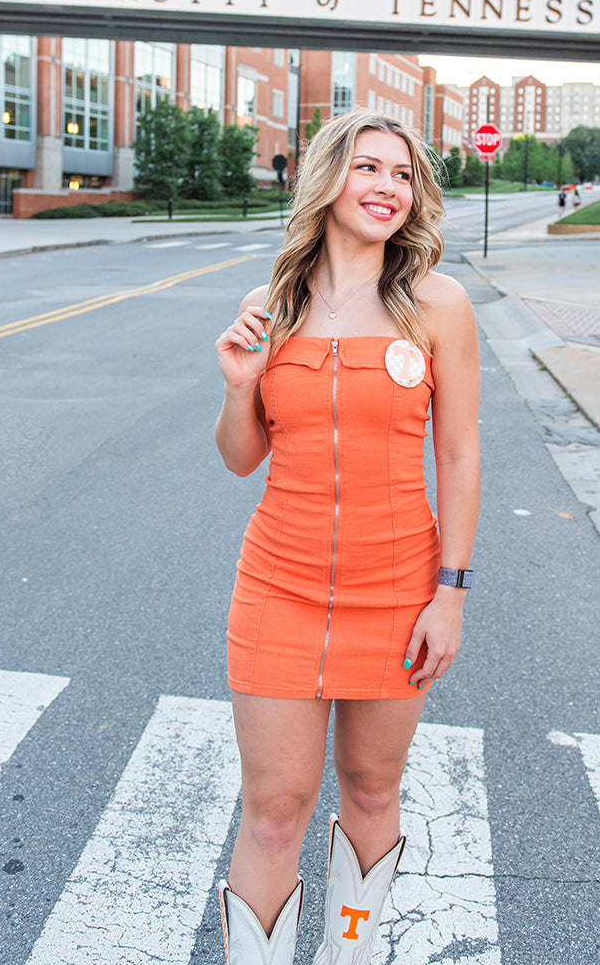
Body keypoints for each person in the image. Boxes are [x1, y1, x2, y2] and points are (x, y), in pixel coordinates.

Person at [214, 110, 482, 964]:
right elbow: (240, 456)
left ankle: (352, 952)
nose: (387, 189)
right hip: (278, 592)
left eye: (402, 175)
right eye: (368, 168)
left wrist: (451, 593)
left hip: (398, 591)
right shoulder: (271, 305)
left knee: (371, 790)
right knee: (274, 808)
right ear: (327, 181)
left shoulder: (438, 303)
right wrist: (237, 386)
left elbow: (462, 452)